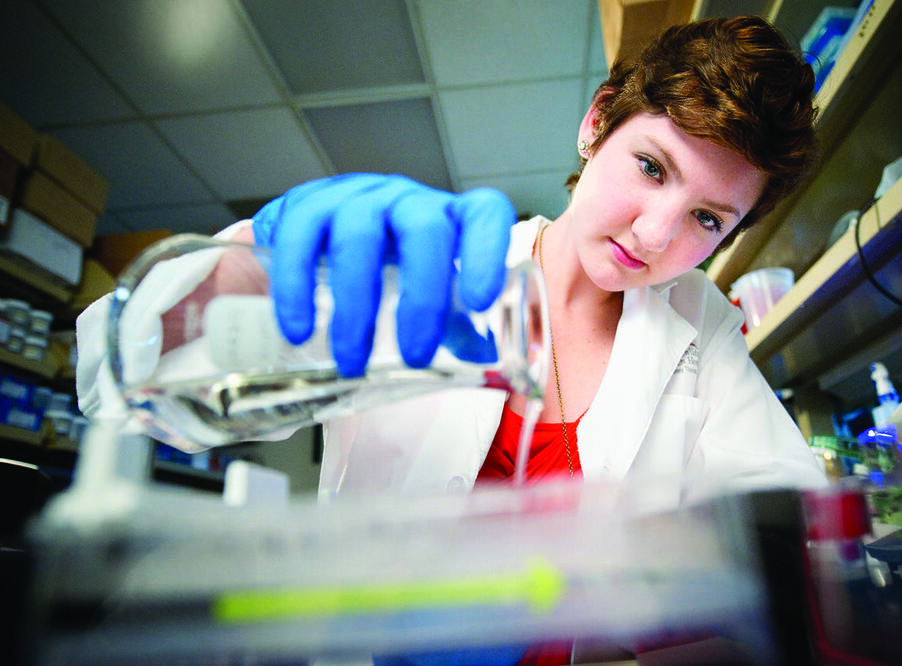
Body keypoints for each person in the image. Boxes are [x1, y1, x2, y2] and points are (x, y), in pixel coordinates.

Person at [76, 14, 828, 665]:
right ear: (597, 122)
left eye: (708, 219)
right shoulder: (433, 265)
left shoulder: (699, 330)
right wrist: (250, 269)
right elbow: (120, 377)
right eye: (652, 167)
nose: (656, 231)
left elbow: (795, 529)